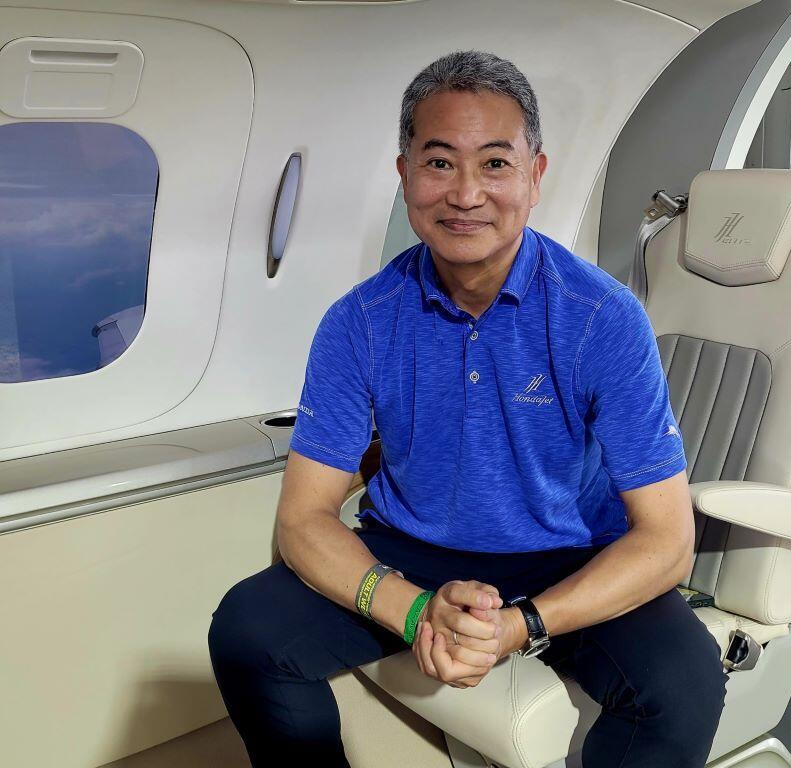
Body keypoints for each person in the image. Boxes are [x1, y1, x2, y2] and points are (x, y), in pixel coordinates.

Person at [208, 49, 726, 768]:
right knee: (247, 631)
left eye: (495, 163)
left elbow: (668, 541)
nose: (465, 194)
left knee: (684, 684)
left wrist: (519, 625)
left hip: (568, 554)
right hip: (411, 547)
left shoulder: (600, 317)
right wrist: (415, 610)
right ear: (405, 176)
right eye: (440, 162)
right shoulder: (359, 322)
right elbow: (303, 519)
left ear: (536, 176)